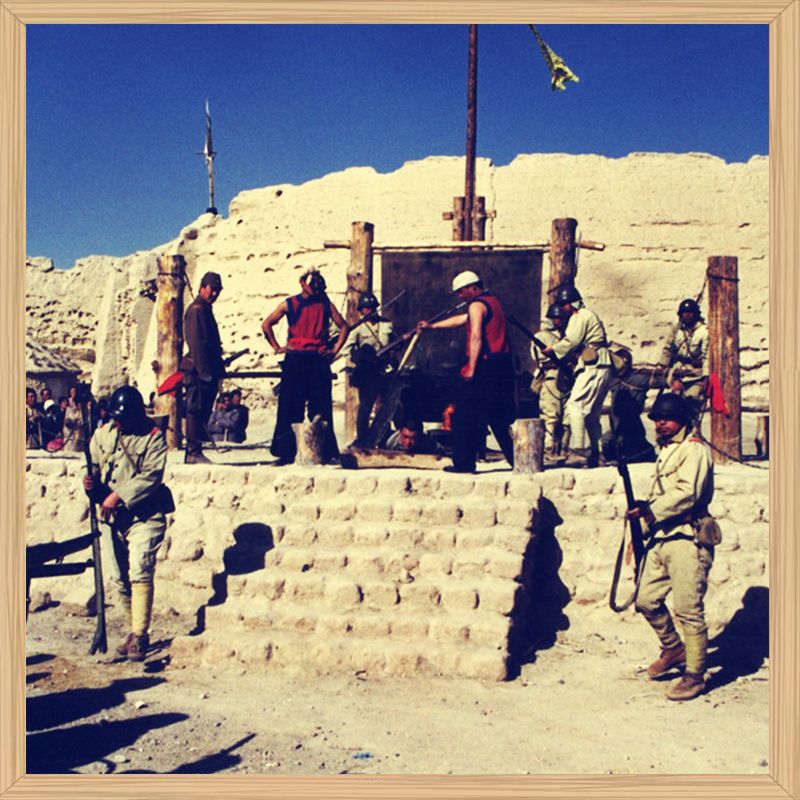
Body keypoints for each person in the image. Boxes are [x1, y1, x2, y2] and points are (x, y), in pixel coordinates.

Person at [626, 392, 716, 701]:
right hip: (661, 536)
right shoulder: (667, 451)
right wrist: (642, 522)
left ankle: (695, 675)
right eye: (657, 419)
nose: (660, 424)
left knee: (688, 609)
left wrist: (651, 512)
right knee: (645, 600)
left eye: (666, 419)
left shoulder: (694, 450)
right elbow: (661, 495)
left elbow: (687, 493)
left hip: (687, 538)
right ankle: (673, 648)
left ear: (682, 420)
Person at [82, 385, 171, 662]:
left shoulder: (154, 438)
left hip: (145, 515)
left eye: (124, 417)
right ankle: (132, 630)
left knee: (140, 569)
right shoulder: (103, 433)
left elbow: (151, 477)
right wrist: (90, 482)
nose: (118, 422)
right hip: (111, 518)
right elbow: (93, 463)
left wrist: (118, 495)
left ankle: (141, 636)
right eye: (116, 417)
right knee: (120, 578)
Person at [418, 270, 515, 473]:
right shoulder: (492, 302)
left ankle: (463, 463)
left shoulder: (477, 305)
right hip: (502, 365)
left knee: (464, 416)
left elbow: (476, 337)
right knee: (497, 417)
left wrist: (471, 367)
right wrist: (432, 326)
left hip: (485, 366)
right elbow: (462, 320)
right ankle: (518, 459)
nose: (460, 296)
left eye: (461, 291)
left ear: (472, 287)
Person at [262, 268, 348, 464]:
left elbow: (344, 326)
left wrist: (334, 350)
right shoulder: (290, 304)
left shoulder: (325, 304)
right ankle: (286, 453)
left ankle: (324, 453)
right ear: (302, 283)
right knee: (290, 408)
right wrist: (277, 347)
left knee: (321, 408)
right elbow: (266, 324)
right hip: (296, 359)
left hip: (317, 359)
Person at [542, 285, 612, 468]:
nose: (562, 309)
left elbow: (572, 340)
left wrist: (553, 350)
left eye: (563, 304)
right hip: (601, 365)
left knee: (575, 406)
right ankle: (598, 454)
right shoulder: (587, 315)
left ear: (570, 303)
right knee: (592, 415)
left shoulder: (579, 316)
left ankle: (578, 451)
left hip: (593, 365)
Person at [184, 271, 225, 464]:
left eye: (217, 290)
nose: (214, 294)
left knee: (202, 410)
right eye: (211, 289)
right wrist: (205, 374)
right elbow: (197, 345)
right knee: (195, 410)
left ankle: (195, 450)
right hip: (199, 371)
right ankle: (193, 452)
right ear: (202, 288)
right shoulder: (198, 310)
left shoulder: (205, 309)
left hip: (206, 369)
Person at [348, 292, 394, 444]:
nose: (370, 310)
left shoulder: (386, 324)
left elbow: (394, 342)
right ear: (361, 310)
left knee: (387, 406)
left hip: (384, 370)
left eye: (372, 307)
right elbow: (348, 351)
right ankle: (363, 440)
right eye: (366, 308)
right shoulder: (357, 328)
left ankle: (384, 438)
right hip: (367, 373)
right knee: (365, 407)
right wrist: (363, 357)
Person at [533, 303, 573, 465]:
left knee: (569, 417)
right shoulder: (542, 337)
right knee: (551, 416)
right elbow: (541, 358)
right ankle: (549, 449)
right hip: (551, 376)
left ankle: (565, 448)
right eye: (556, 318)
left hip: (569, 377)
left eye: (561, 318)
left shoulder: (569, 335)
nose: (559, 321)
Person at [600, 349, 656, 464]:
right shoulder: (611, 378)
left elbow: (661, 381)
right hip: (616, 425)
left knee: (632, 445)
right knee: (607, 441)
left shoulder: (639, 379)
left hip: (632, 424)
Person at [659, 298, 709, 418]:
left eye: (690, 312)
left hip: (695, 375)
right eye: (684, 312)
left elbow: (707, 356)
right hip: (677, 372)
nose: (687, 315)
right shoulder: (677, 329)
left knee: (691, 404)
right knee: (673, 406)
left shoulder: (704, 331)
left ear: (696, 314)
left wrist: (706, 376)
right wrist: (663, 366)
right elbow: (668, 348)